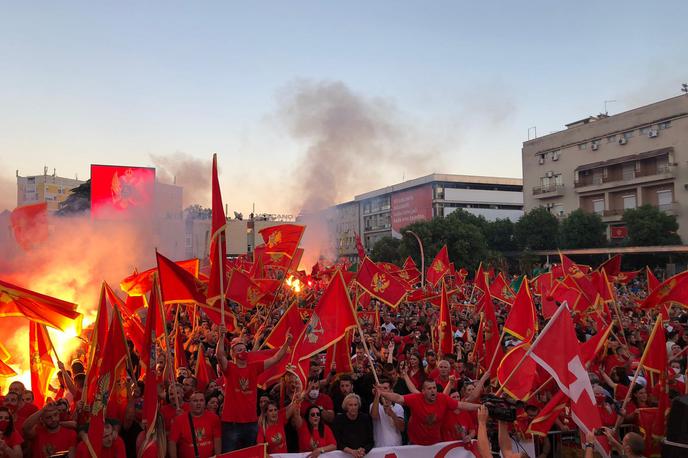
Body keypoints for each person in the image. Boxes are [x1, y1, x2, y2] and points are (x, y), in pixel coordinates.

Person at [216, 325, 292, 452]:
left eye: (244, 349)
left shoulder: (254, 367)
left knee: (251, 454)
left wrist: (287, 343)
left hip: (251, 422)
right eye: (239, 349)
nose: (243, 352)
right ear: (232, 353)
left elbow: (275, 358)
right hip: (231, 423)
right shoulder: (229, 368)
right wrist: (221, 337)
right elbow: (219, 356)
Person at [376, 379, 479, 445]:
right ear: (423, 391)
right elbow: (398, 398)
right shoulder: (416, 398)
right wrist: (382, 393)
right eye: (429, 388)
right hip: (415, 443)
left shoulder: (443, 398)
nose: (433, 390)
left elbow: (461, 405)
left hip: (435, 443)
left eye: (434, 388)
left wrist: (480, 406)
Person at [169, 391, 221, 458]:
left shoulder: (214, 418)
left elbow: (217, 439)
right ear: (189, 403)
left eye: (201, 400)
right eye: (195, 401)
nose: (198, 403)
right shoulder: (179, 420)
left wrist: (218, 457)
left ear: (205, 403)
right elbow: (172, 442)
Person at [369, 379, 404, 447]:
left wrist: (392, 414)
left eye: (385, 388)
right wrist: (377, 395)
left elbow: (402, 428)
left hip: (396, 445)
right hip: (379, 446)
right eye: (380, 388)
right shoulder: (374, 405)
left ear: (391, 390)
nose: (383, 390)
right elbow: (374, 416)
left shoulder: (398, 407)